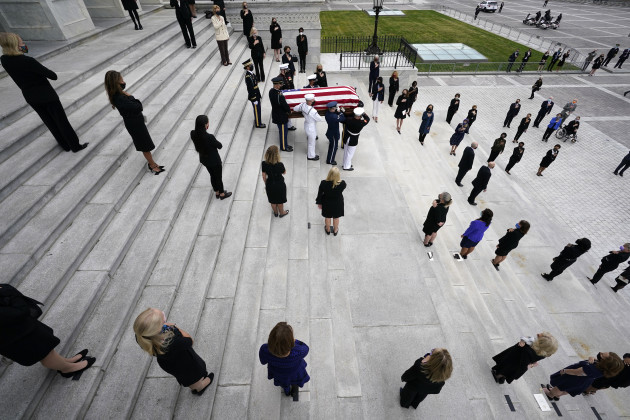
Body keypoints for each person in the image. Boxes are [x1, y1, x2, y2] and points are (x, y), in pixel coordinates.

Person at [0, 33, 88, 153]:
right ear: (16, 45)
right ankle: (75, 146)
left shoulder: (4, 60)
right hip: (47, 96)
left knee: (49, 122)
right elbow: (53, 76)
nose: (23, 44)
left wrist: (20, 49)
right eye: (21, 42)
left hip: (30, 96)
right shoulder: (28, 61)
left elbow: (19, 58)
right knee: (62, 121)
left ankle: (65, 145)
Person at [0, 283, 96, 379]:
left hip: (18, 328)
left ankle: (64, 362)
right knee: (43, 353)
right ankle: (67, 369)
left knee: (46, 347)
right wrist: (10, 294)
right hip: (13, 335)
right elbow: (20, 312)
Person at [133, 308, 213, 395]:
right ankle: (199, 387)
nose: (164, 315)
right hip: (185, 362)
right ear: (158, 328)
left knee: (183, 375)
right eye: (162, 318)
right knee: (193, 375)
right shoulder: (172, 342)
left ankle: (195, 384)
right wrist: (174, 327)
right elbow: (189, 340)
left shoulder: (142, 337)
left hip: (169, 364)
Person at [105, 70, 164, 174]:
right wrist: (130, 96)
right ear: (116, 83)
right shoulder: (120, 98)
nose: (123, 82)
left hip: (135, 122)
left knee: (145, 143)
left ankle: (152, 163)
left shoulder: (117, 95)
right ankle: (152, 164)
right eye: (121, 80)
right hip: (135, 124)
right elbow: (138, 106)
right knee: (144, 145)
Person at [259, 322, 310, 401]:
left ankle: (287, 392)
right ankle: (294, 393)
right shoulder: (298, 351)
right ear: (291, 343)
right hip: (295, 372)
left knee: (284, 384)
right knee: (295, 382)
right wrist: (295, 341)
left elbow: (263, 361)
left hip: (279, 373)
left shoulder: (265, 349)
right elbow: (306, 348)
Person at [543, 353, 624, 401]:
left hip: (574, 379)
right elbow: (593, 359)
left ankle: (550, 394)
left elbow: (577, 372)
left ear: (604, 362)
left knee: (560, 387)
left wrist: (564, 371)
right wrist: (591, 359)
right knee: (568, 390)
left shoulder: (591, 369)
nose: (600, 353)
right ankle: (557, 396)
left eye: (602, 355)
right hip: (583, 382)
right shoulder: (604, 369)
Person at [190, 115, 232, 199]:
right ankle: (222, 194)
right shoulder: (209, 137)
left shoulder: (193, 133)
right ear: (205, 125)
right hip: (214, 161)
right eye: (208, 122)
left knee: (212, 175)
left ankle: (217, 192)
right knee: (218, 177)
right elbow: (219, 146)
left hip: (204, 160)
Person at [491, 332, 558, 384]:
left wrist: (522, 342)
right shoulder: (543, 354)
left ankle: (498, 375)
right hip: (519, 365)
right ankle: (503, 377)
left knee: (505, 367)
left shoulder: (527, 348)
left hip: (514, 358)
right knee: (510, 371)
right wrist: (531, 364)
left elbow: (524, 340)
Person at [316, 167, 346, 236]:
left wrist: (319, 202)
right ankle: (335, 230)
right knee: (336, 217)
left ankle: (328, 229)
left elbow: (319, 193)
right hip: (338, 203)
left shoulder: (323, 183)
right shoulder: (342, 184)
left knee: (327, 217)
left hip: (327, 202)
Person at [293, 93, 323, 160]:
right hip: (311, 126)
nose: (314, 101)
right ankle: (311, 156)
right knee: (311, 143)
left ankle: (311, 154)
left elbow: (295, 108)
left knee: (312, 140)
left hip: (307, 124)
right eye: (313, 100)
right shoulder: (312, 111)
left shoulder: (302, 105)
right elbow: (319, 119)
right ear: (309, 102)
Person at [261, 146, 289, 217]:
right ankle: (282, 213)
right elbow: (284, 172)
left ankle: (276, 213)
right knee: (280, 201)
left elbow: (263, 176)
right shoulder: (280, 165)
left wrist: (266, 184)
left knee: (272, 201)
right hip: (279, 185)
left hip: (270, 184)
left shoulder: (264, 163)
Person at [269, 77, 293, 152]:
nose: (281, 85)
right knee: (283, 132)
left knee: (283, 131)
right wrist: (289, 111)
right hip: (281, 116)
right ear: (276, 85)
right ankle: (283, 147)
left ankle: (285, 144)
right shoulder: (279, 95)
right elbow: (284, 105)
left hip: (277, 114)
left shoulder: (271, 91)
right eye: (280, 84)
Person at [243, 59, 266, 129]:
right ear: (247, 67)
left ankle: (259, 121)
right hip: (254, 96)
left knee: (258, 109)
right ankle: (258, 123)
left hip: (257, 94)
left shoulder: (251, 74)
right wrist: (254, 98)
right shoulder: (248, 76)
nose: (252, 66)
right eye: (250, 65)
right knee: (256, 109)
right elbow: (250, 89)